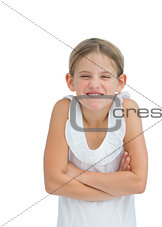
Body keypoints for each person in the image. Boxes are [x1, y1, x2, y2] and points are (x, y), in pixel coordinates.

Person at [43, 38, 148, 227]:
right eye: (85, 76)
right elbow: (53, 183)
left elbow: (139, 183)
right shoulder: (63, 109)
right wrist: (117, 186)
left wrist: (77, 173)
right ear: (70, 81)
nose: (94, 84)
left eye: (105, 76)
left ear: (120, 82)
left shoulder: (127, 110)